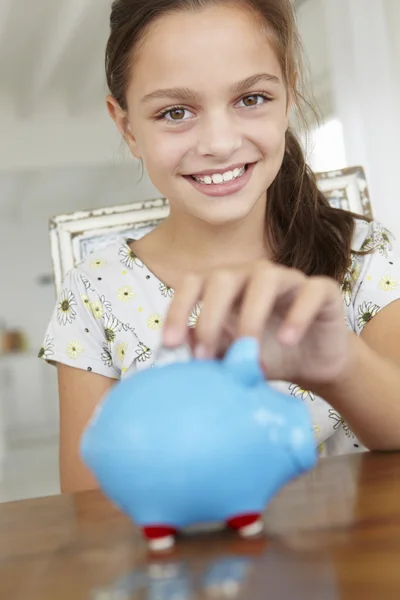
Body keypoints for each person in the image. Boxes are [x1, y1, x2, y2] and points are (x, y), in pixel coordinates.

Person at [39, 0, 400, 493]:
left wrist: (342, 366)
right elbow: (87, 510)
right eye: (175, 112)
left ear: (289, 93)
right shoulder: (93, 293)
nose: (219, 142)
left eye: (251, 99)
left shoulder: (362, 253)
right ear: (127, 127)